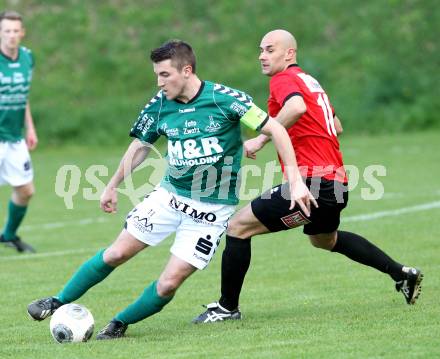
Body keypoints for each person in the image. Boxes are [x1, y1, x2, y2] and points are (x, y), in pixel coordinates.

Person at [27, 40, 312, 340]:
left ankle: (119, 324)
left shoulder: (225, 99)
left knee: (168, 284)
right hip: (170, 197)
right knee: (116, 252)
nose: (160, 83)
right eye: (157, 75)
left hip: (212, 212)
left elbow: (277, 129)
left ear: (186, 71)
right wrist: (112, 185)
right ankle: (56, 300)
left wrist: (294, 182)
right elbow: (141, 146)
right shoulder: (160, 105)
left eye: (165, 75)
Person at [193, 29, 423, 323]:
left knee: (238, 227)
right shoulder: (310, 82)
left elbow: (297, 107)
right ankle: (402, 274)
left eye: (270, 49)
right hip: (336, 184)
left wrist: (263, 139)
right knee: (323, 240)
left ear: (289, 53)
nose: (262, 56)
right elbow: (336, 125)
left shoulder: (284, 79)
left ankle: (226, 308)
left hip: (312, 182)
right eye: (260, 50)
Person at [0, 11, 37, 253]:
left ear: (22, 33)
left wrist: (30, 127)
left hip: (14, 137)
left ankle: (9, 236)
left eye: (16, 31)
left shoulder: (28, 58)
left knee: (25, 191)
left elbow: (23, 96)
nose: (12, 35)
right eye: (7, 31)